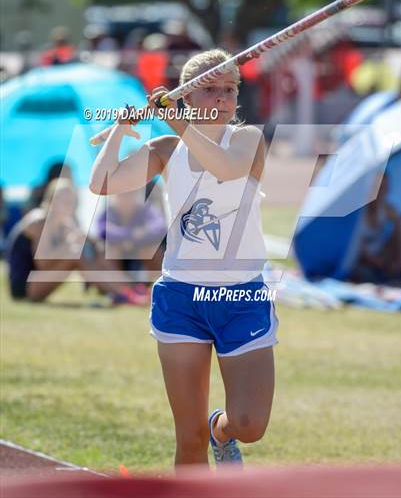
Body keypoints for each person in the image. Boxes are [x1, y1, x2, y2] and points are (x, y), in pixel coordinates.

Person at [90, 49, 279, 468]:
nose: (222, 98)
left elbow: (225, 170)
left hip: (240, 299)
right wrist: (121, 130)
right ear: (186, 96)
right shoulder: (167, 148)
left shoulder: (247, 141)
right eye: (210, 89)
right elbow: (101, 183)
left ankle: (222, 430)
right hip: (181, 298)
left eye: (229, 89)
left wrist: (179, 122)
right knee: (188, 439)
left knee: (250, 425)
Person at [6, 178, 145, 305]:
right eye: (64, 201)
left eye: (72, 202)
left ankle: (129, 289)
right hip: (24, 288)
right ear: (51, 200)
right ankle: (121, 294)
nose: (69, 206)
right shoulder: (39, 220)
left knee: (90, 250)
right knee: (75, 253)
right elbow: (42, 263)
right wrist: (69, 245)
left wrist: (93, 244)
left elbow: (87, 244)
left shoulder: (63, 223)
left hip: (36, 281)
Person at [354, 174, 401, 283]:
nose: (382, 193)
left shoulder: (387, 209)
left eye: (385, 188)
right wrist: (384, 264)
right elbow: (358, 252)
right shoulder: (358, 214)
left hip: (381, 255)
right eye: (378, 188)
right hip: (362, 261)